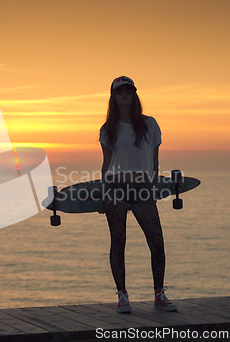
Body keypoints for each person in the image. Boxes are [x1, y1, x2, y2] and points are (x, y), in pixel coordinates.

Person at [98, 76, 177, 313]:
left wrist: (152, 188)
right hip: (115, 188)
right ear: (113, 97)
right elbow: (106, 163)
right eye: (119, 91)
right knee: (118, 242)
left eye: (128, 91)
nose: (124, 94)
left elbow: (154, 160)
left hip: (143, 189)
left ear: (134, 95)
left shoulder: (150, 124)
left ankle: (159, 295)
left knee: (157, 243)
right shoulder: (107, 129)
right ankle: (122, 296)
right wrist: (103, 193)